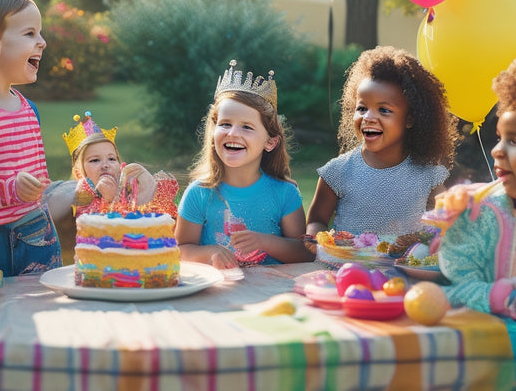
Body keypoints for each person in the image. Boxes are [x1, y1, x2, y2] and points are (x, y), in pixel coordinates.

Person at [306, 46, 460, 238]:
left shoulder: (428, 174)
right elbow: (316, 220)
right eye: (362, 108)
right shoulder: (337, 172)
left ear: (410, 119)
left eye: (384, 110)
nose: (368, 117)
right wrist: (315, 237)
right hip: (347, 267)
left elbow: (443, 222)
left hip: (402, 267)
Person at [175, 59, 312, 269]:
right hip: (217, 294)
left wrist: (264, 242)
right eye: (225, 124)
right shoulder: (199, 193)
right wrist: (212, 252)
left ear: (270, 141)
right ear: (213, 133)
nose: (233, 133)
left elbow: (304, 253)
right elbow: (181, 249)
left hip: (272, 293)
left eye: (247, 127)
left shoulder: (285, 193)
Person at [422, 59, 516, 318]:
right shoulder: (479, 213)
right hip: (492, 347)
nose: (497, 150)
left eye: (514, 141)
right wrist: (500, 297)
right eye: (500, 138)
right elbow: (454, 290)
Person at [0, 0, 62, 276]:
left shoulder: (29, 108)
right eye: (30, 34)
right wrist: (14, 188)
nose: (42, 42)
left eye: (40, 33)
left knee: (40, 313)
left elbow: (39, 182)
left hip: (37, 235)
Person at [63, 112, 178, 217]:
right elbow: (97, 230)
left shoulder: (128, 184)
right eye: (95, 160)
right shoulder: (82, 197)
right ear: (79, 171)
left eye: (112, 159)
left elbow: (161, 219)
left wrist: (148, 189)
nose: (105, 165)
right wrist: (112, 200)